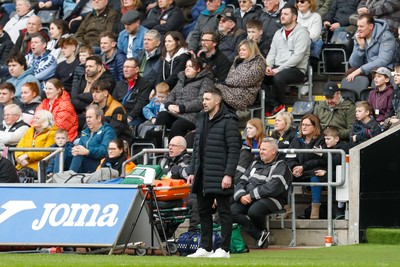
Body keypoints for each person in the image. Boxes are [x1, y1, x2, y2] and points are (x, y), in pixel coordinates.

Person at [186, 87, 241, 258]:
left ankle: (224, 249)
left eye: (207, 99)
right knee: (203, 211)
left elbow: (234, 150)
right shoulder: (201, 118)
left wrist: (229, 174)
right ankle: (206, 247)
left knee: (224, 212)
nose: (204, 102)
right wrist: (192, 170)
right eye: (203, 99)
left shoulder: (229, 120)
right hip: (203, 173)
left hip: (220, 173)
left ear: (217, 101)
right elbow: (196, 148)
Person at [231, 137, 292, 248]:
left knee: (254, 211)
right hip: (249, 197)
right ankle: (259, 235)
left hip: (274, 199)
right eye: (260, 149)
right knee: (232, 211)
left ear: (273, 151)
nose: (261, 151)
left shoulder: (281, 165)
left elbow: (273, 187)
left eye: (264, 149)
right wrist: (241, 196)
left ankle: (262, 233)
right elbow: (241, 181)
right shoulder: (254, 163)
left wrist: (251, 195)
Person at [264, 4, 311, 118]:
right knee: (256, 76)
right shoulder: (278, 33)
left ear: (294, 17)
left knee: (278, 77)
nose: (282, 16)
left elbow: (297, 57)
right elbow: (272, 52)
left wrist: (278, 70)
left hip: (296, 70)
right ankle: (274, 104)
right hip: (277, 67)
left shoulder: (302, 33)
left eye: (286, 14)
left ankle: (281, 105)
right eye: (281, 14)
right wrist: (268, 66)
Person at [156, 57, 214, 140]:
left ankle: (174, 150)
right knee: (161, 116)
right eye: (186, 66)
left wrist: (182, 108)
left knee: (178, 125)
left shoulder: (206, 81)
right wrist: (168, 105)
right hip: (175, 112)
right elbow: (172, 94)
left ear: (198, 69)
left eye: (191, 66)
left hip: (193, 115)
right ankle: (157, 149)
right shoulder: (181, 80)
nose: (187, 68)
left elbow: (201, 101)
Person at [286, 114, 326, 219]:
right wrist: (295, 167)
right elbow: (289, 157)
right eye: (302, 124)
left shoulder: (321, 140)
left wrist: (303, 167)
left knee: (316, 176)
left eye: (307, 125)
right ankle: (286, 207)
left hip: (312, 169)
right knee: (285, 175)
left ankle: (315, 209)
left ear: (314, 127)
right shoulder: (296, 140)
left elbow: (320, 160)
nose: (304, 127)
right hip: (298, 170)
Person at [347, 14, 399, 82]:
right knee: (349, 73)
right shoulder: (359, 36)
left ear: (371, 26)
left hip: (385, 68)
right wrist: (361, 48)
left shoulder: (386, 36)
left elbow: (383, 60)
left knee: (377, 74)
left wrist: (361, 70)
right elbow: (354, 64)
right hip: (367, 69)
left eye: (361, 26)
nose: (358, 29)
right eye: (358, 26)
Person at [216, 39, 266, 111]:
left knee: (215, 91)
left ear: (251, 49)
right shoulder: (238, 60)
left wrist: (226, 82)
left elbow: (248, 79)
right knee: (212, 90)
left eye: (243, 50)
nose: (240, 52)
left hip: (245, 95)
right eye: (239, 50)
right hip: (232, 90)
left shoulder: (258, 62)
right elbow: (230, 76)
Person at [69, 105, 117, 173]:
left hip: (100, 164)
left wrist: (88, 152)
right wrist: (74, 150)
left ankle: (69, 178)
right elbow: (80, 147)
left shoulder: (108, 131)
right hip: (85, 161)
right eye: (86, 117)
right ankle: (53, 174)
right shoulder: (85, 131)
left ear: (99, 118)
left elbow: (105, 151)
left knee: (79, 155)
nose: (87, 120)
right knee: (63, 150)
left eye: (90, 117)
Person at [71, 55, 115, 128]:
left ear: (99, 68)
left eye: (90, 66)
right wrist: (86, 102)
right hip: (81, 111)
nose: (87, 69)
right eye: (86, 66)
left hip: (99, 114)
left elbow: (94, 97)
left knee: (73, 120)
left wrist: (80, 95)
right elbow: (73, 98)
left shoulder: (107, 79)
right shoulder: (84, 78)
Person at [113, 58, 152, 128]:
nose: (125, 70)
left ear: (137, 69)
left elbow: (141, 103)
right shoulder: (119, 84)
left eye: (128, 67)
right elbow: (114, 102)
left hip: (136, 117)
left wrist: (130, 117)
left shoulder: (144, 84)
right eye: (124, 67)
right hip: (119, 115)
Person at [91, 79, 132, 144]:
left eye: (97, 92)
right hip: (99, 139)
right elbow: (87, 127)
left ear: (105, 93)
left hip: (118, 142)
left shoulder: (117, 108)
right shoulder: (93, 108)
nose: (94, 95)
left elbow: (113, 131)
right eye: (93, 92)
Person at [383, 65, 400, 130]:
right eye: (395, 75)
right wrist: (389, 119)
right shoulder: (395, 92)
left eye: (398, 75)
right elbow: (392, 110)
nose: (395, 77)